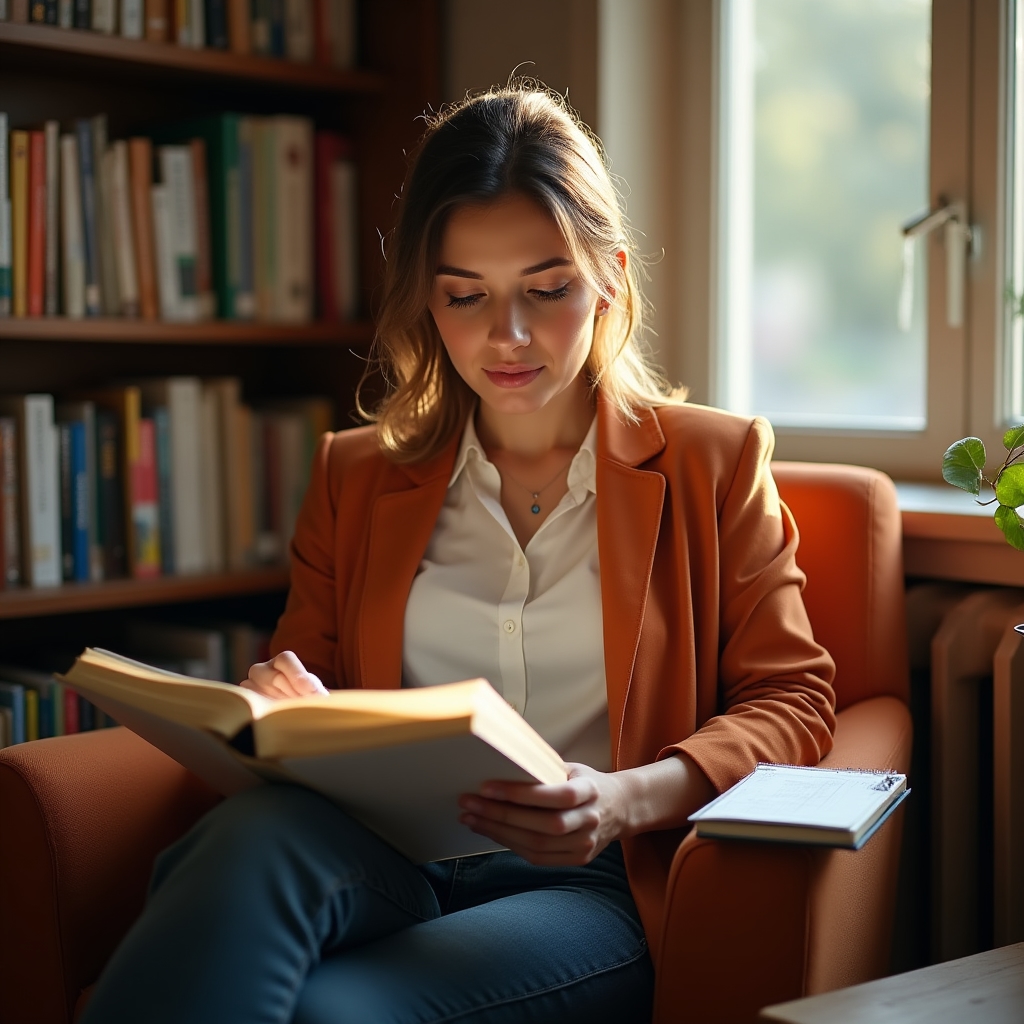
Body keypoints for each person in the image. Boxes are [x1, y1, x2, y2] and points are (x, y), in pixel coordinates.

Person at [81, 84, 836, 1024]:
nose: (505, 336)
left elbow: (795, 701)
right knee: (242, 845)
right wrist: (286, 697)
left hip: (584, 884)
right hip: (377, 847)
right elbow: (305, 673)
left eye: (546, 289)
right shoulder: (357, 475)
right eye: (464, 295)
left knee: (322, 1010)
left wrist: (626, 799)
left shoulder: (713, 463)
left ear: (609, 277)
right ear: (427, 302)